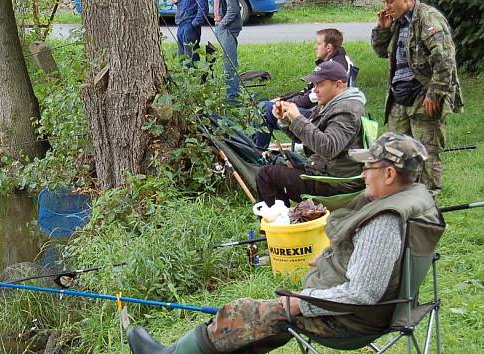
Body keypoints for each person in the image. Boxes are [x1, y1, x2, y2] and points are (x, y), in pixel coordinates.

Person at [127, 132, 441, 354]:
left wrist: (300, 302)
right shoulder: (414, 198)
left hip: (352, 322)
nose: (362, 173)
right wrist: (328, 262)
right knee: (264, 321)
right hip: (375, 311)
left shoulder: (384, 219)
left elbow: (363, 293)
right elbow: (372, 268)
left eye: (369, 167)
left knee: (248, 312)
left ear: (389, 173)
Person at [371, 0, 463, 195]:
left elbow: (444, 58)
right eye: (384, 1)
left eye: (390, 1)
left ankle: (428, 206)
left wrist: (435, 94)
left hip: (423, 95)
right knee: (396, 152)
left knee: (426, 153)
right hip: (399, 96)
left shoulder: (427, 17)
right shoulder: (397, 22)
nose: (387, 6)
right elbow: (381, 52)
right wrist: (382, 29)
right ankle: (401, 199)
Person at [256, 60, 366, 207]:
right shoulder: (330, 103)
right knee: (277, 159)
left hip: (336, 183)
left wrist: (298, 118)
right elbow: (308, 138)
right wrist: (285, 120)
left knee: (266, 175)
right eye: (314, 85)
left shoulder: (347, 110)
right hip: (325, 171)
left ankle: (278, 225)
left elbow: (328, 148)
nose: (315, 90)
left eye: (320, 84)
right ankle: (286, 220)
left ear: (338, 84)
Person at [254, 28, 357, 148]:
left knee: (264, 109)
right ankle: (255, 148)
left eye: (318, 43)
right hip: (320, 111)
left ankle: (258, 153)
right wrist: (282, 98)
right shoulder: (337, 61)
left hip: (320, 115)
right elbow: (307, 91)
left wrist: (286, 104)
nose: (315, 47)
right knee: (267, 106)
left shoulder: (334, 67)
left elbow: (311, 97)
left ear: (328, 47)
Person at [214, 0, 242, 102]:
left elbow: (233, 9)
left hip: (227, 28)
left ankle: (232, 97)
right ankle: (234, 93)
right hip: (221, 26)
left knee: (229, 65)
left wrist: (222, 24)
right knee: (227, 64)